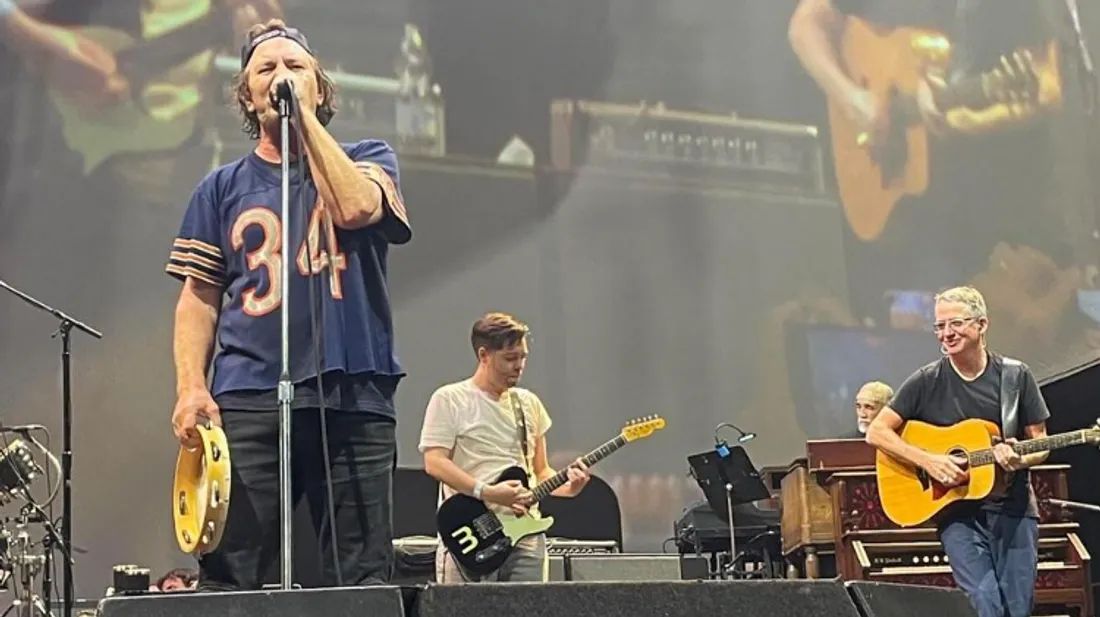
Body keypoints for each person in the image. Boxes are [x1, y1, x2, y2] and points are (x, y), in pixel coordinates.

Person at [166, 19, 412, 591]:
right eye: (267, 70)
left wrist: (302, 121)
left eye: (296, 68)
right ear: (248, 97)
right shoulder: (220, 187)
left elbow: (353, 209)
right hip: (248, 395)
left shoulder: (372, 159)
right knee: (234, 572)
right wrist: (190, 387)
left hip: (353, 392)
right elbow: (198, 297)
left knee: (363, 576)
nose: (282, 77)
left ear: (321, 88)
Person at [788, 0, 1096, 328]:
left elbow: (1047, 85)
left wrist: (963, 119)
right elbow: (806, 23)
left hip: (1015, 223)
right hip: (924, 230)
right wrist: (855, 101)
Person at [866, 286, 1050, 617]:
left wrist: (1020, 457)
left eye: (956, 324)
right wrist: (929, 461)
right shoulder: (927, 380)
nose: (946, 334)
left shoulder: (1015, 376)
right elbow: (877, 432)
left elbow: (1040, 443)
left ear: (982, 324)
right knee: (983, 601)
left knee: (1018, 608)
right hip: (958, 515)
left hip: (1014, 508)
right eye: (939, 326)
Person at [418, 312, 591, 583]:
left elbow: (540, 471)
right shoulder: (450, 399)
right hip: (473, 535)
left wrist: (570, 488)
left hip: (527, 535)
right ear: (484, 355)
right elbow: (435, 462)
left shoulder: (528, 403)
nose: (519, 366)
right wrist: (487, 492)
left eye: (523, 357)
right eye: (510, 358)